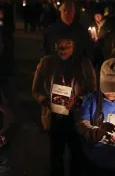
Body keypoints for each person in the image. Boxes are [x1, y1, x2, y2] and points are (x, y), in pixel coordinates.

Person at [32, 34, 97, 176]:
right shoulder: (46, 63)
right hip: (54, 117)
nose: (63, 49)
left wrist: (78, 100)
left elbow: (92, 90)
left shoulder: (83, 64)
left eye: (67, 45)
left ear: (74, 46)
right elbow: (36, 89)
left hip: (77, 117)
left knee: (77, 154)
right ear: (54, 46)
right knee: (56, 155)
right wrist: (45, 101)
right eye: (60, 45)